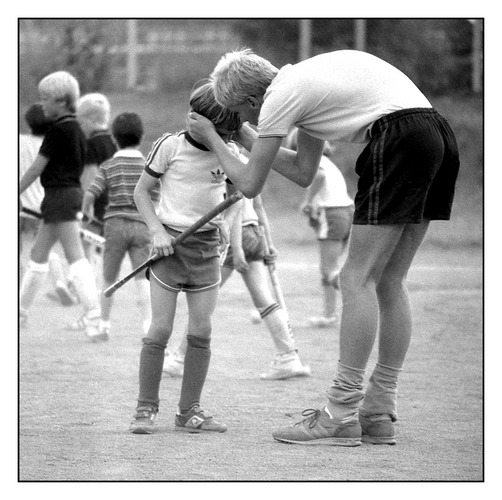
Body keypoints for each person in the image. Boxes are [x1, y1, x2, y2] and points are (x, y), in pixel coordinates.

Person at [187, 49, 460, 446]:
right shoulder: (303, 86)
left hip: (398, 139)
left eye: (243, 114)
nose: (246, 120)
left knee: (355, 279)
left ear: (252, 99)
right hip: (435, 135)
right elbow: (302, 171)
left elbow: (248, 184)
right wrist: (247, 137)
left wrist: (214, 137)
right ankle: (379, 410)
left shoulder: (280, 97)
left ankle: (340, 411)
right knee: (389, 280)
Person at [129, 82, 242, 435]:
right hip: (169, 248)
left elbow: (237, 191)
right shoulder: (169, 146)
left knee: (202, 329)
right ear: (198, 121)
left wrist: (224, 222)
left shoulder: (229, 150)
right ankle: (146, 408)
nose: (225, 135)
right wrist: (158, 232)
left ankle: (189, 411)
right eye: (221, 128)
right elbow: (141, 193)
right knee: (160, 328)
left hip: (206, 250)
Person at [163, 193, 312, 380]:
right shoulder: (250, 166)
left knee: (203, 297)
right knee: (264, 298)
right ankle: (288, 356)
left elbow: (237, 204)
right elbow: (259, 207)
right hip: (255, 232)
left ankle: (179, 359)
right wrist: (268, 243)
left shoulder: (229, 168)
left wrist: (238, 248)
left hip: (237, 234)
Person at [19, 71, 102, 342]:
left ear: (63, 100)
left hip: (59, 197)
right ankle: (19, 313)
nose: (42, 104)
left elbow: (34, 169)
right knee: (38, 258)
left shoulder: (57, 131)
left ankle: (94, 319)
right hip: (64, 196)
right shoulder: (77, 128)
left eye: (46, 99)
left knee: (76, 259)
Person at [82, 112, 159, 341]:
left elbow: (91, 193)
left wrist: (86, 213)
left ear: (114, 138)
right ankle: (148, 325)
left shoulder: (109, 165)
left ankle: (103, 326)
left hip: (114, 226)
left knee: (109, 278)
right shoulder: (148, 165)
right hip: (141, 225)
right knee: (142, 277)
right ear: (142, 136)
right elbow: (157, 196)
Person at [288, 132, 354, 328]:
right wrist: (313, 210)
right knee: (332, 269)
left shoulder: (315, 163)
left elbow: (318, 176)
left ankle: (360, 293)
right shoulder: (327, 162)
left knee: (328, 270)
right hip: (347, 213)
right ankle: (329, 314)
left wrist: (307, 201)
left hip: (333, 214)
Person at [19, 103, 77, 306]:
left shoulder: (19, 142)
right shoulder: (50, 144)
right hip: (42, 205)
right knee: (45, 247)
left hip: (20, 204)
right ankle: (60, 282)